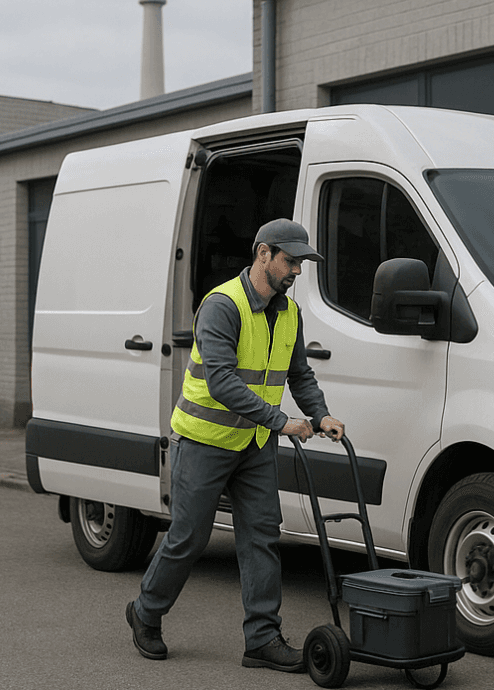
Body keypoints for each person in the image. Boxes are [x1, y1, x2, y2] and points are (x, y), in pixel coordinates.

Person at [126, 218, 345, 673]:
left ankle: (262, 639)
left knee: (262, 538)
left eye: (301, 263)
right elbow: (223, 381)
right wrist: (282, 421)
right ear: (262, 253)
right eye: (291, 260)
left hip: (256, 443)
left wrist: (320, 413)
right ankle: (145, 613)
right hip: (204, 440)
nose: (297, 271)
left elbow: (299, 374)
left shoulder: (289, 313)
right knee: (188, 538)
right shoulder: (222, 305)